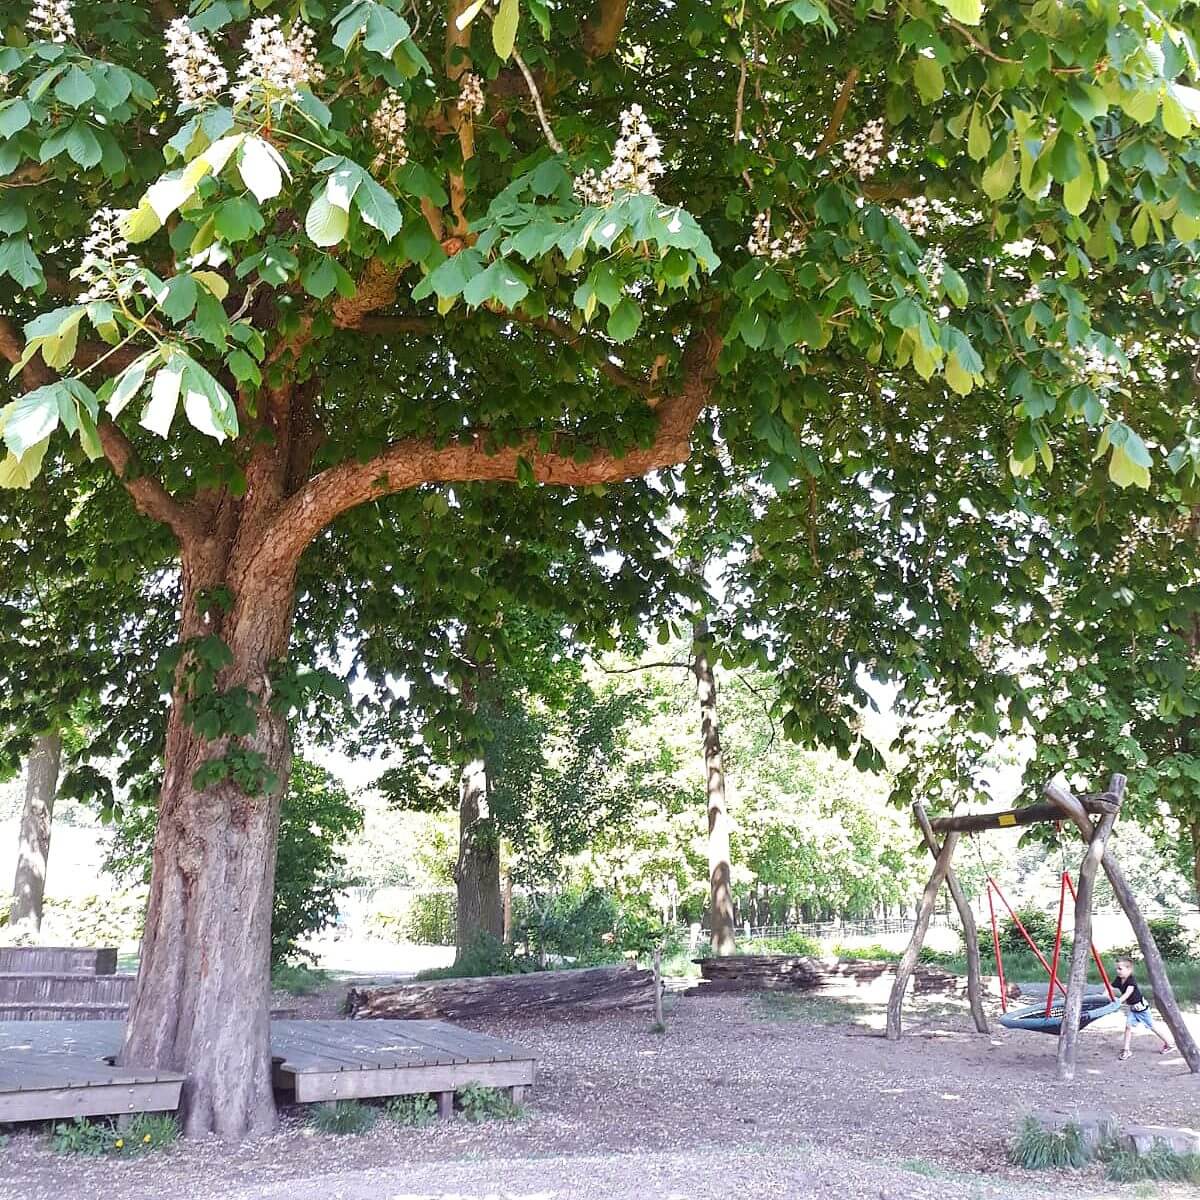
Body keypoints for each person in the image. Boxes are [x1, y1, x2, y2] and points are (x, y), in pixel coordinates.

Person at [1113, 957, 1172, 1061]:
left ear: (1129, 970)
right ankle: (1126, 1050)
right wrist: (1104, 995)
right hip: (1133, 1009)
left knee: (1152, 1026)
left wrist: (1118, 1001)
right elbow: (1110, 987)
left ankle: (1169, 1044)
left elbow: (1127, 993)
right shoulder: (1119, 979)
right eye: (1116, 969)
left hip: (1142, 1010)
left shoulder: (1131, 980)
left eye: (1120, 969)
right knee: (1128, 1027)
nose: (1118, 971)